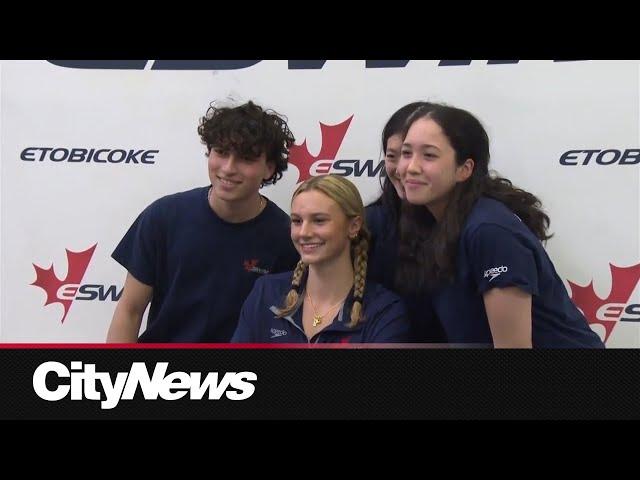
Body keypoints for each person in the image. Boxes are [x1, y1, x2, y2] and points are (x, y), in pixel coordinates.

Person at [395, 102, 604, 348]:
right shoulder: (434, 223)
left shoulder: (489, 231)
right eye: (406, 153)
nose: (410, 167)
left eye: (429, 155)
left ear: (465, 169)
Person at [106, 100, 300, 342]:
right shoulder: (164, 216)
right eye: (221, 152)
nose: (228, 168)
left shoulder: (286, 238)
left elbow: (283, 329)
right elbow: (130, 310)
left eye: (245, 158)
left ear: (269, 168)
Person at [232, 174, 409, 343]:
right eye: (297, 221)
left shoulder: (384, 310)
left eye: (319, 220)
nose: (304, 233)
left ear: (354, 226)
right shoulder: (266, 293)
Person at [366, 102, 447, 342]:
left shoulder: (477, 224)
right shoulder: (370, 224)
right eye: (394, 156)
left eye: (423, 155)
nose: (406, 167)